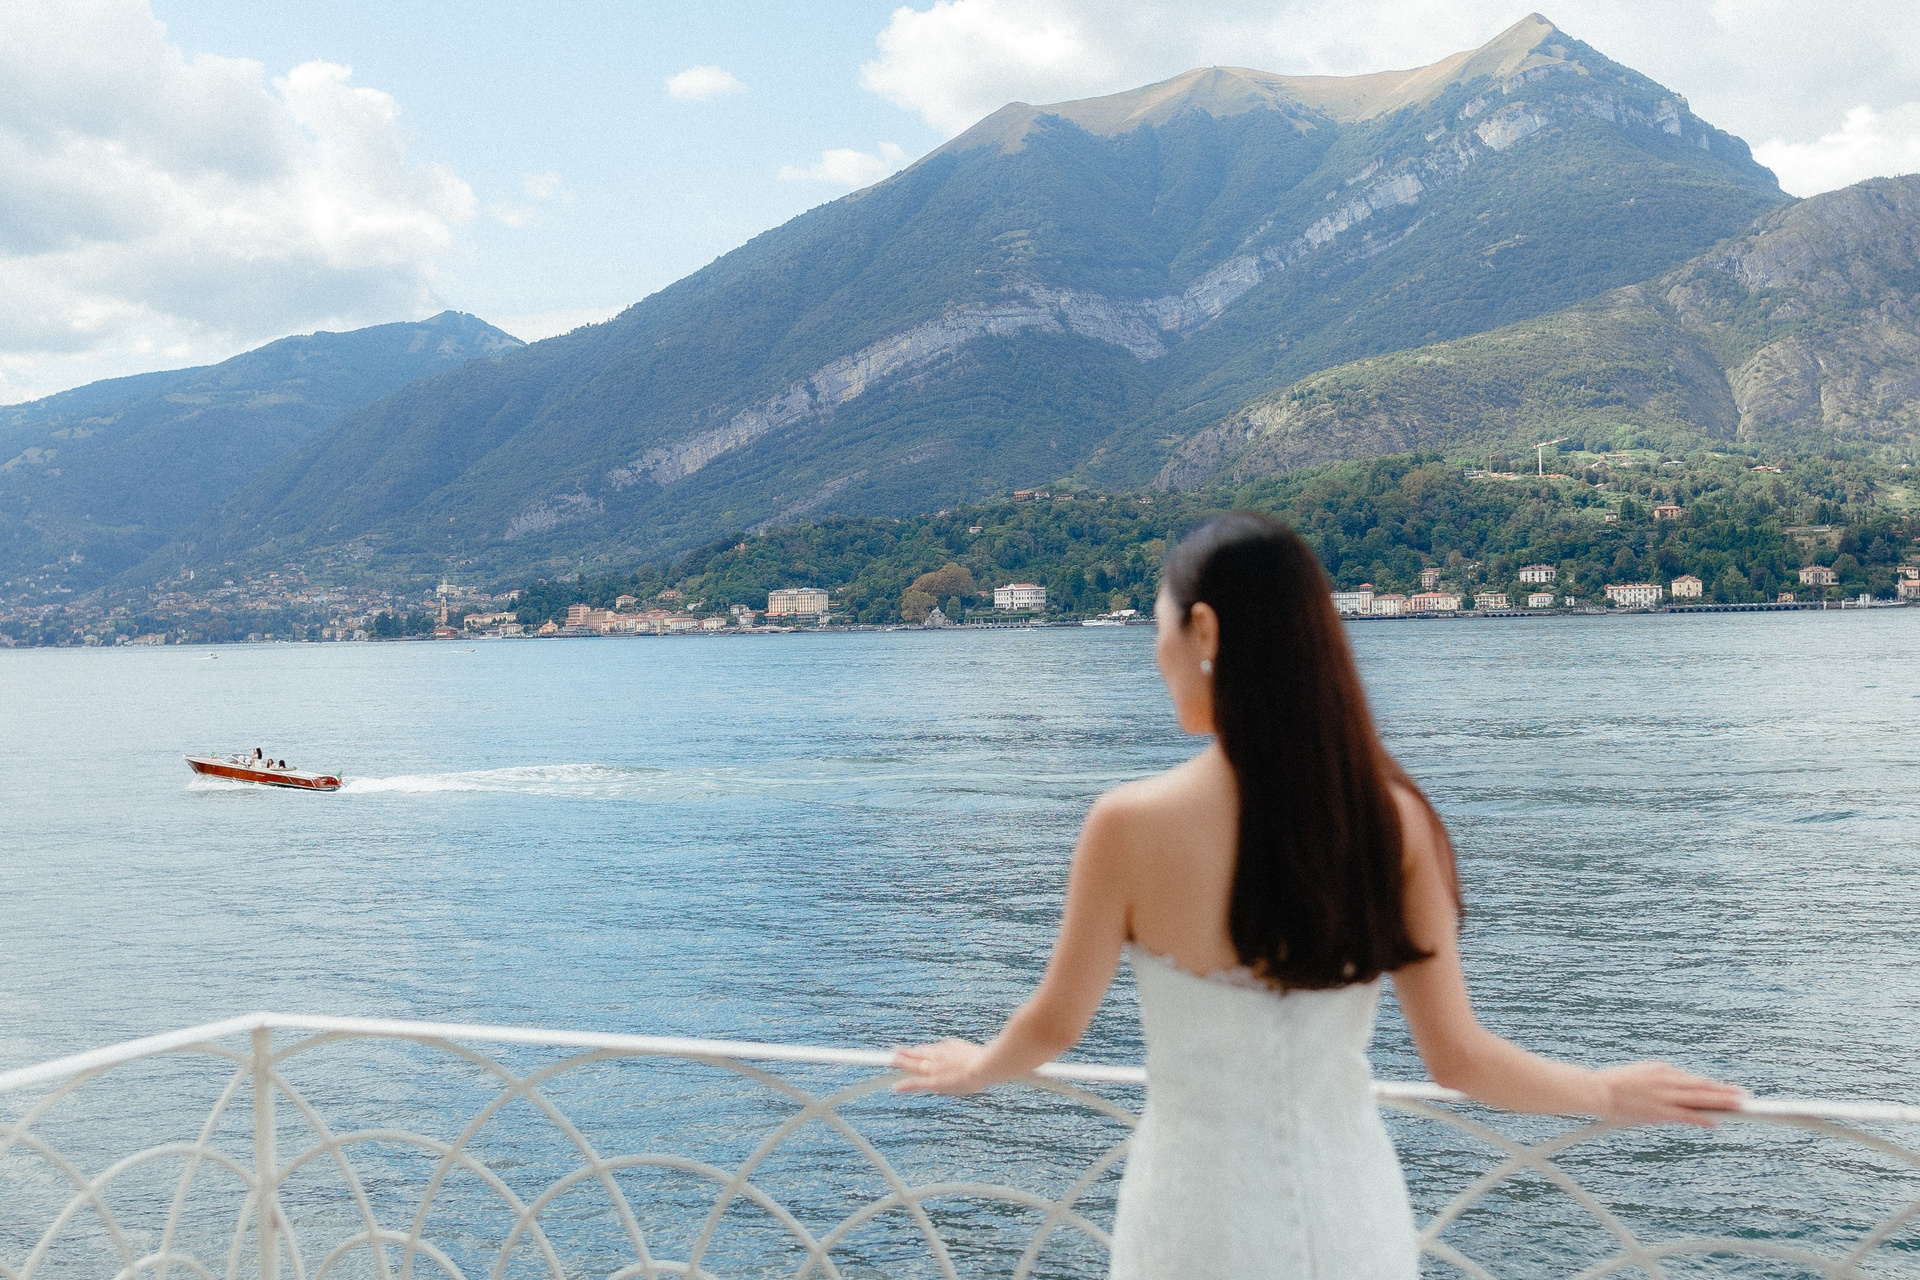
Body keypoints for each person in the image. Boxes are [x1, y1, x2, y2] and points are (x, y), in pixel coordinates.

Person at [892, 512, 1742, 1279]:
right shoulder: (1393, 820)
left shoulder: (1129, 825)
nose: (1155, 657)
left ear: (1204, 630)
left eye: (1158, 629)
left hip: (1194, 1220)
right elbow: (1458, 1058)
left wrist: (976, 1068)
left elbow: (1054, 1025)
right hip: (1351, 1216)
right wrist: (1603, 1092)